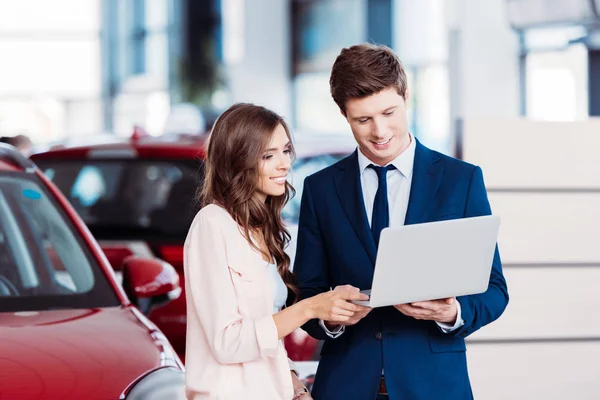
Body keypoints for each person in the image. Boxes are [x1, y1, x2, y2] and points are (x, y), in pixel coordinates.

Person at [294, 44, 509, 400]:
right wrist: (329, 318)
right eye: (363, 119)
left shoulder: (461, 180)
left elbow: (495, 290)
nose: (379, 131)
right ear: (343, 114)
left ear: (406, 97)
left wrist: (452, 311)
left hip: (434, 386)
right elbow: (306, 293)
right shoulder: (320, 189)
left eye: (388, 112)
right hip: (346, 385)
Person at [183, 103, 368, 400]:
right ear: (237, 161)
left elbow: (266, 335)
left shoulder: (262, 227)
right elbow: (228, 342)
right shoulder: (212, 224)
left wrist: (294, 384)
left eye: (285, 151)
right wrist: (310, 307)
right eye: (268, 156)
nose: (284, 164)